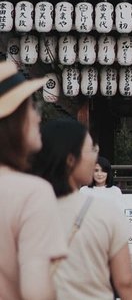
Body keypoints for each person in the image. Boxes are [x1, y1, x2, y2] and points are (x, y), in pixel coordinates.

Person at [31, 118, 132, 300]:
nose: (95, 158)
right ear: (71, 159)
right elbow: (125, 282)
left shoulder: (27, 210)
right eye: (91, 150)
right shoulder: (105, 213)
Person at [0, 62, 67, 300]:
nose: (38, 117)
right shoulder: (31, 192)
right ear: (14, 120)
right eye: (31, 107)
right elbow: (37, 290)